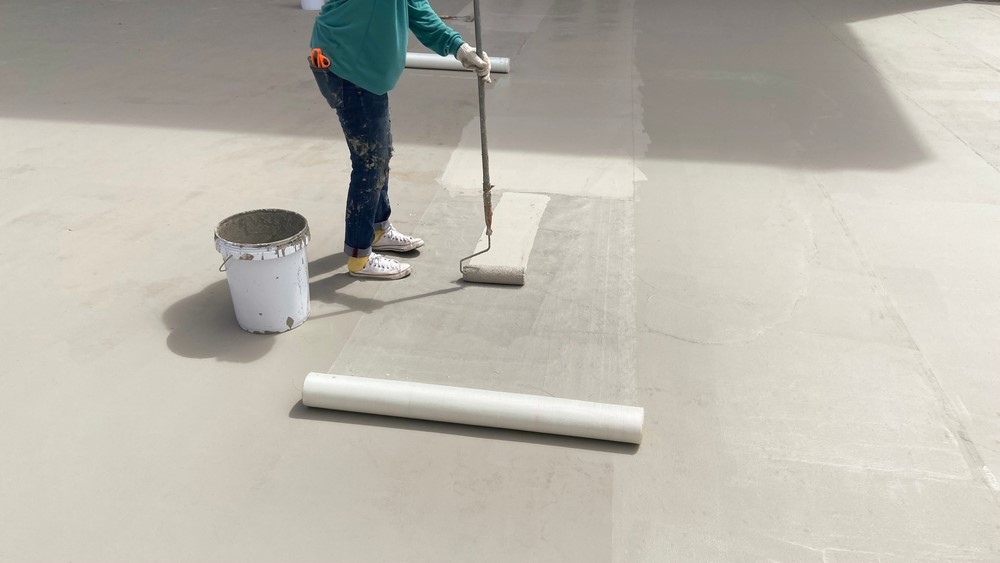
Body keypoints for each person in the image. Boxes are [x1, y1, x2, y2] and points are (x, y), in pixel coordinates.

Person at [309, 0, 491, 280]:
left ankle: (378, 229)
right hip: (348, 67)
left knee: (380, 154)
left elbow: (417, 10)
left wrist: (459, 47)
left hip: (365, 70)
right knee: (370, 163)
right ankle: (360, 256)